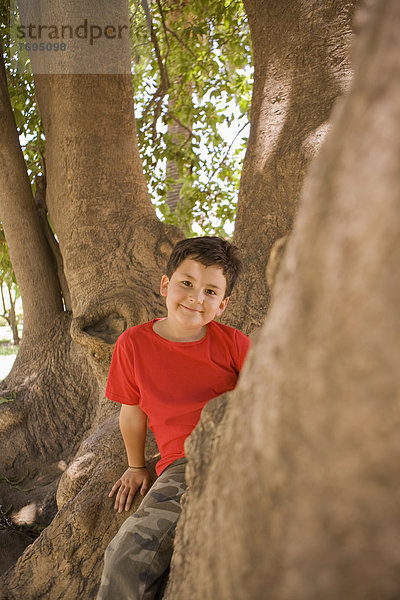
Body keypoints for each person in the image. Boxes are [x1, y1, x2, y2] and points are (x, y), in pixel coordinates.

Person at [97, 236, 251, 600]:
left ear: (223, 304)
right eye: (187, 283)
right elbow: (131, 412)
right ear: (166, 284)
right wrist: (137, 466)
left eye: (211, 291)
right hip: (186, 465)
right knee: (125, 559)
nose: (196, 297)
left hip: (241, 457)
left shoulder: (234, 344)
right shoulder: (133, 344)